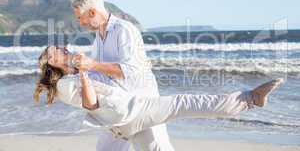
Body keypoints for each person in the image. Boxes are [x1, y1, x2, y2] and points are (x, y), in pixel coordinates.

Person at [34, 46, 284, 148]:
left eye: (63, 47)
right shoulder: (65, 85)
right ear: (53, 62)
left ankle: (249, 100)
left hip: (125, 119)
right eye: (58, 50)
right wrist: (85, 72)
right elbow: (90, 102)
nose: (64, 49)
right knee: (184, 103)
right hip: (130, 112)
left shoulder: (72, 77)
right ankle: (251, 99)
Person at [72, 0, 175, 151]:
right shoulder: (99, 37)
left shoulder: (124, 30)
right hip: (118, 106)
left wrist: (91, 64)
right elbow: (98, 72)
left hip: (143, 104)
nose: (80, 23)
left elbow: (130, 71)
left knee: (157, 148)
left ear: (92, 12)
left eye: (80, 17)